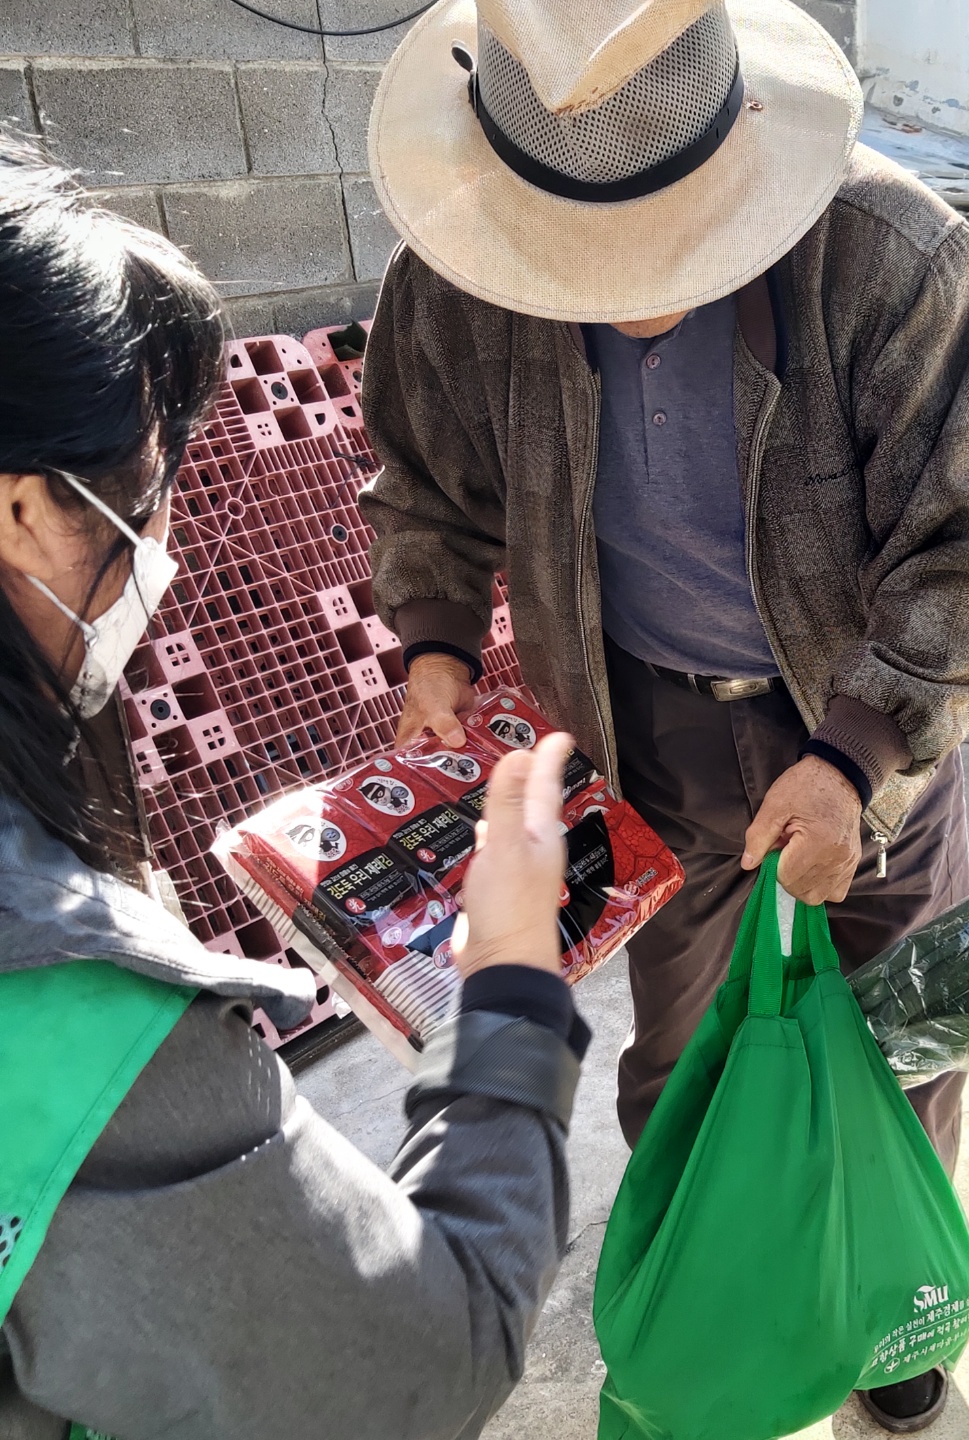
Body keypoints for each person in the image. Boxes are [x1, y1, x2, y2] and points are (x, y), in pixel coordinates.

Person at [359, 1, 969, 1428]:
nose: (629, 288)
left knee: (892, 1045)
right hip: (641, 732)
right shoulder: (465, 268)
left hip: (858, 736)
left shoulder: (895, 259)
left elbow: (966, 559)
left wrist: (855, 757)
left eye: (667, 242)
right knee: (682, 1067)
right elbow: (422, 482)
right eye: (590, 255)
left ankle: (887, 1341)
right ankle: (703, 1324)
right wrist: (432, 651)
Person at [0, 138, 588, 1440]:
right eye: (144, 499)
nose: (162, 551)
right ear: (26, 513)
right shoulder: (80, 1019)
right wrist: (506, 980)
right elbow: (416, 1363)